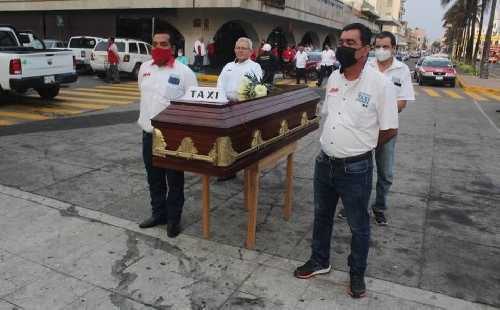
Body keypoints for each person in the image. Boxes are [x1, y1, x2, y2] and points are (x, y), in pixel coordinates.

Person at [293, 23, 398, 299]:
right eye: (341, 41)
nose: (343, 47)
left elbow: (390, 129)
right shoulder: (334, 79)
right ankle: (319, 260)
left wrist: (363, 147)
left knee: (358, 224)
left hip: (356, 168)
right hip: (324, 163)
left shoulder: (381, 84)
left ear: (365, 50)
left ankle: (356, 273)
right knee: (322, 216)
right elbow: (329, 115)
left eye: (350, 43)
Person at [137, 31, 198, 237]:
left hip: (172, 137)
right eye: (154, 43)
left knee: (174, 180)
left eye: (163, 44)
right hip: (148, 134)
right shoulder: (144, 68)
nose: (158, 47)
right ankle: (158, 214)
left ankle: (173, 220)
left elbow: (192, 107)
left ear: (171, 48)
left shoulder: (184, 72)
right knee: (153, 178)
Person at [216, 37, 262, 181]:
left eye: (243, 48)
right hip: (225, 106)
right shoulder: (228, 66)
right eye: (238, 48)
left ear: (250, 51)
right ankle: (228, 169)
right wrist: (222, 100)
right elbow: (219, 84)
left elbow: (253, 87)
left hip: (243, 108)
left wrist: (238, 99)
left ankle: (247, 169)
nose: (240, 51)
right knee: (226, 139)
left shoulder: (254, 67)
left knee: (242, 139)